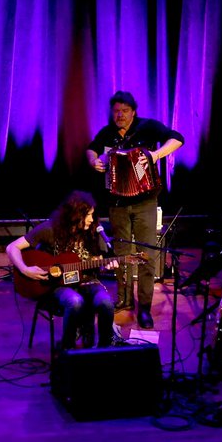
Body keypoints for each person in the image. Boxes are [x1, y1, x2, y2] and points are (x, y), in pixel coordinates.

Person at [87, 90, 184, 329]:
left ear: (134, 111)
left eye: (124, 111)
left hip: (145, 202)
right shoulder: (107, 132)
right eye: (116, 111)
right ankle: (125, 300)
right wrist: (94, 160)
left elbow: (178, 138)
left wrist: (155, 155)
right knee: (121, 255)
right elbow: (92, 148)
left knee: (147, 256)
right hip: (117, 202)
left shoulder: (147, 127)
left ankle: (145, 308)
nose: (119, 115)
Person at [7, 190, 118, 351]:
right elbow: (12, 247)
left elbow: (99, 262)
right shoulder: (50, 229)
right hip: (58, 285)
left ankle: (104, 351)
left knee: (106, 303)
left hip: (87, 282)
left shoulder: (93, 231)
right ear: (76, 215)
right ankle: (68, 350)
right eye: (88, 215)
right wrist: (25, 269)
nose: (91, 219)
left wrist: (106, 266)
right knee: (75, 301)